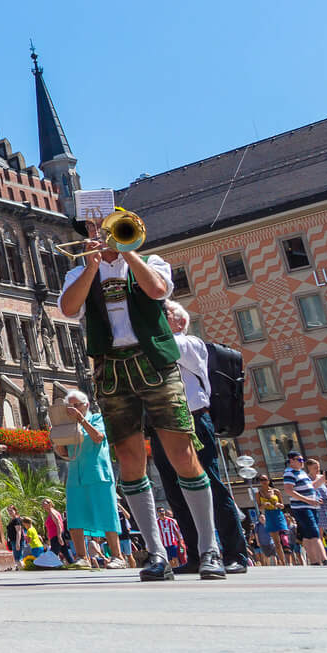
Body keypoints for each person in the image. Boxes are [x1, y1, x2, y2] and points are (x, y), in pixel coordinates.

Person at [57, 220, 225, 580]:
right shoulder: (79, 271)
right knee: (130, 458)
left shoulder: (151, 260)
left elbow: (158, 290)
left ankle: (210, 550)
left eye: (106, 228)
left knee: (182, 453)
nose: (99, 235)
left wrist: (127, 253)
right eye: (92, 229)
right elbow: (70, 309)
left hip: (155, 363)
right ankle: (156, 553)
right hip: (112, 368)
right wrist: (91, 266)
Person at [148, 302, 249, 574]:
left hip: (192, 418)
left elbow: (167, 348)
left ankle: (235, 553)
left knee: (211, 484)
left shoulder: (190, 343)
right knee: (174, 491)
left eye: (164, 313)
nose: (157, 316)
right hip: (162, 422)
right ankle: (195, 554)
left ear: (180, 323)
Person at [53, 390, 127, 568]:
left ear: (86, 405)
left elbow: (98, 437)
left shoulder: (97, 419)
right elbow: (64, 453)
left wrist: (81, 419)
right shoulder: (68, 425)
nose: (72, 409)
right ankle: (81, 557)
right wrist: (57, 439)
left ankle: (118, 557)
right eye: (69, 406)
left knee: (107, 513)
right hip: (76, 476)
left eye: (76, 405)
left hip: (98, 474)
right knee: (75, 515)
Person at [279, 451, 326, 566]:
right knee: (314, 533)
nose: (302, 462)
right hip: (302, 507)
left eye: (302, 460)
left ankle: (314, 561)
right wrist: (308, 500)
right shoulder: (289, 473)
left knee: (308, 535)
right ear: (291, 461)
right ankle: (324, 559)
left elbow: (312, 487)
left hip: (311, 506)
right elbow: (289, 490)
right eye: (299, 460)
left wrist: (323, 479)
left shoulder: (302, 473)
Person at [256, 478, 291, 564]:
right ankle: (283, 562)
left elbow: (283, 506)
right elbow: (259, 507)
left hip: (278, 514)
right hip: (269, 515)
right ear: (259, 482)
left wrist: (278, 504)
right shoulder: (258, 493)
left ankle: (289, 559)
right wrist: (264, 505)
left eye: (265, 479)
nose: (263, 481)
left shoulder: (276, 491)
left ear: (268, 481)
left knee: (284, 538)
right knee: (276, 542)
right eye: (261, 480)